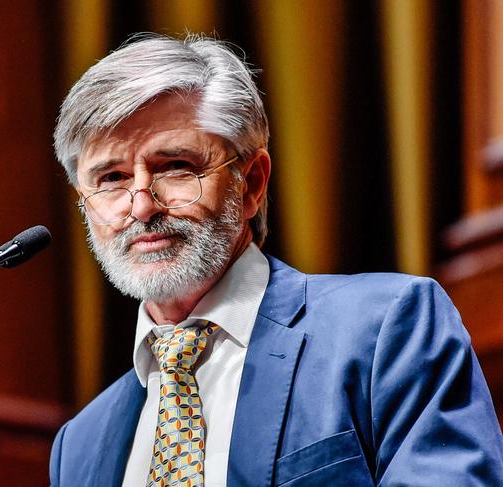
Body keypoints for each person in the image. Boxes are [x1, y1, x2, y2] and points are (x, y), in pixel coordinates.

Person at [49, 33, 503, 486]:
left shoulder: (384, 328)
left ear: (250, 184)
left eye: (176, 167)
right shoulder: (79, 446)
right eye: (111, 178)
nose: (142, 206)